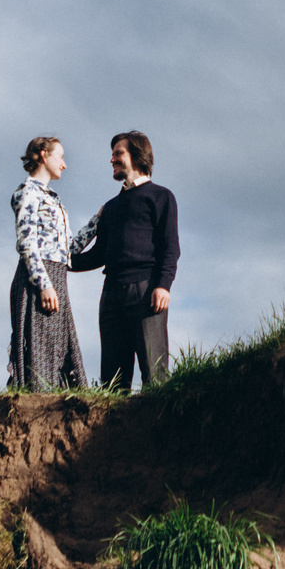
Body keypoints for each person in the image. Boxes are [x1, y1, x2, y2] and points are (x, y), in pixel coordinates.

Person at [68, 129, 179, 390]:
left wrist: (163, 285)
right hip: (111, 295)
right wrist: (59, 263)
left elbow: (170, 247)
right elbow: (98, 254)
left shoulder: (161, 196)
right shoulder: (111, 207)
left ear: (136, 155)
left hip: (146, 290)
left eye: (118, 153)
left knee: (155, 373)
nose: (112, 159)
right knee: (112, 381)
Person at [7, 135, 88, 391]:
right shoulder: (27, 192)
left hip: (56, 279)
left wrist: (97, 223)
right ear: (43, 154)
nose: (64, 164)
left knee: (58, 351)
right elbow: (26, 243)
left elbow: (67, 250)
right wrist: (44, 285)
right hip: (38, 280)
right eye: (60, 157)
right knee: (39, 354)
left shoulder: (52, 198)